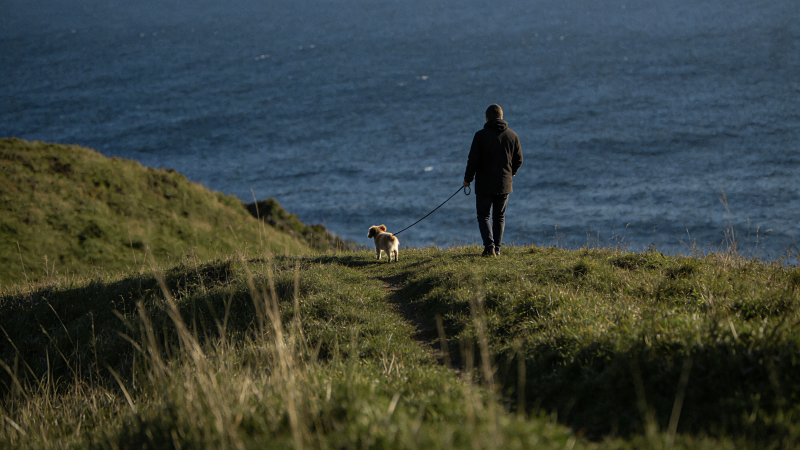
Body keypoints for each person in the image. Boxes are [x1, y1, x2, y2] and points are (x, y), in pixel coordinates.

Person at [463, 104, 523, 257]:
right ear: (502, 117)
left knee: (483, 216)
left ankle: (489, 246)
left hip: (484, 183)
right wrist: (511, 173)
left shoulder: (480, 135)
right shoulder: (513, 136)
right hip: (504, 183)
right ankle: (497, 249)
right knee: (499, 217)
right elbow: (519, 160)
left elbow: (473, 160)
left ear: (487, 118)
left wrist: (467, 180)